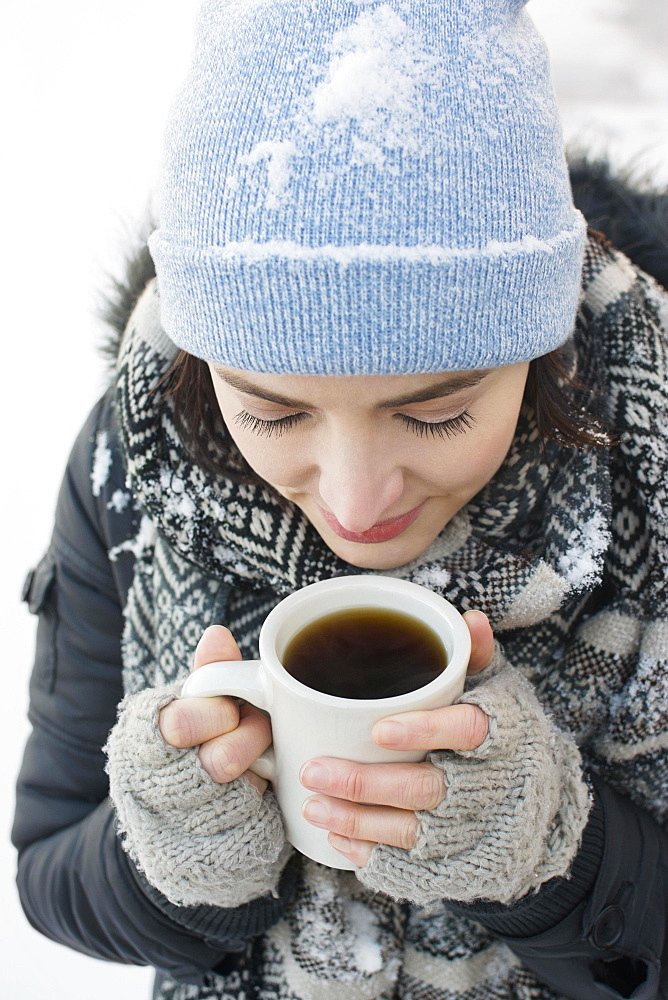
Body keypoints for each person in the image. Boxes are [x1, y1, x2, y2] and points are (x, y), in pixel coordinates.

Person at [12, 1, 668, 998]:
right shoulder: (134, 463)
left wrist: (555, 855)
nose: (358, 503)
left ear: (536, 357)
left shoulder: (649, 467)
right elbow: (51, 866)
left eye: (437, 412)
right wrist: (177, 861)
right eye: (272, 412)